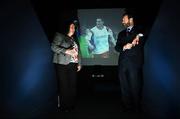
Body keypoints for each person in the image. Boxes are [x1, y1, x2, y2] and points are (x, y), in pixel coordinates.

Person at [115, 12, 145, 112]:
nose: (122, 21)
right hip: (122, 63)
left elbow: (143, 34)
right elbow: (117, 47)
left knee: (135, 86)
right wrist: (124, 47)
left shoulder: (139, 30)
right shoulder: (121, 33)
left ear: (131, 19)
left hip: (134, 63)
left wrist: (138, 36)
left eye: (124, 19)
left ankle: (136, 107)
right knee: (124, 86)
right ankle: (127, 106)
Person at [51, 19, 81, 112]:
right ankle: (64, 106)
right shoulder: (60, 35)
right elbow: (53, 47)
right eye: (71, 27)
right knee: (64, 86)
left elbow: (78, 52)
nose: (73, 29)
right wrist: (67, 51)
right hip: (62, 64)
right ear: (66, 27)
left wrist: (79, 63)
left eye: (74, 27)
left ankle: (71, 104)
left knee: (72, 85)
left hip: (73, 64)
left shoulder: (75, 39)